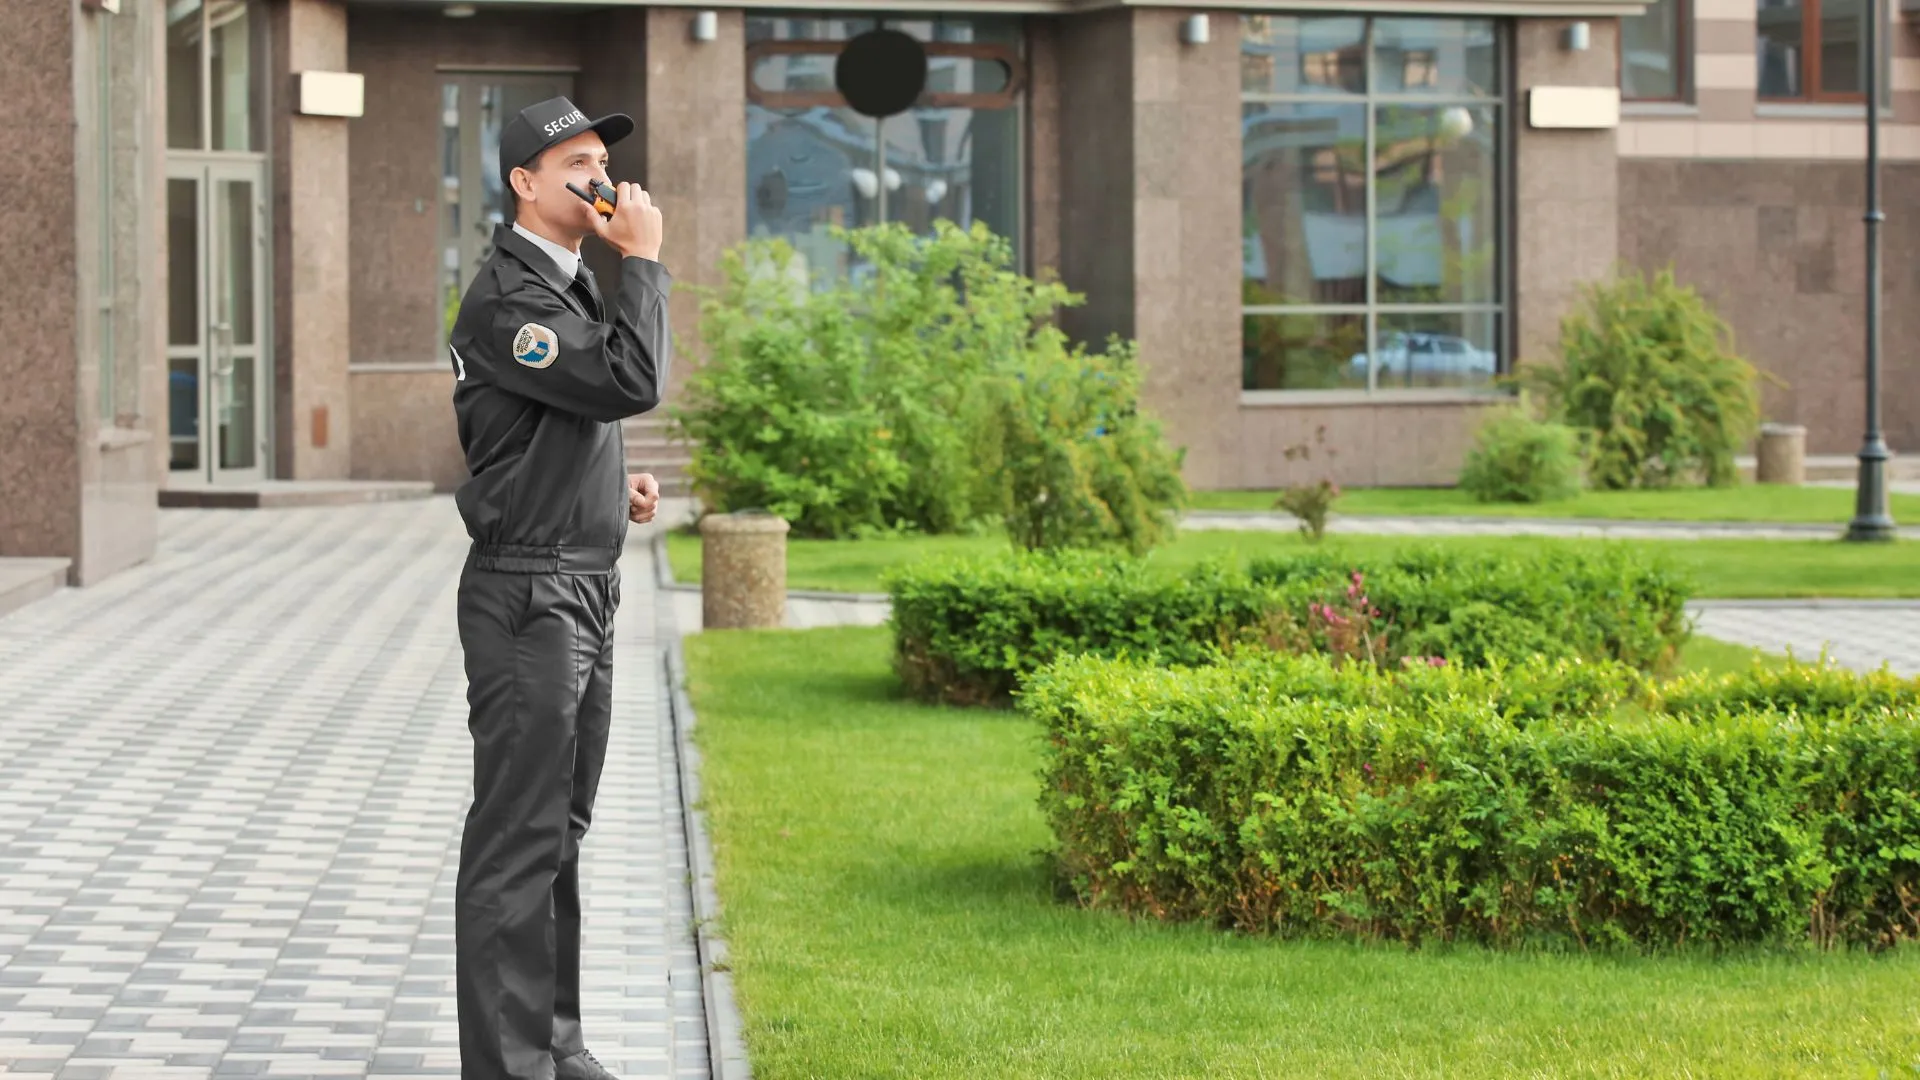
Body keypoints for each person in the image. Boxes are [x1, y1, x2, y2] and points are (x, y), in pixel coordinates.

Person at [446, 95, 669, 1080]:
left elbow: (545, 430)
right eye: (574, 159)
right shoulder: (510, 300)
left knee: (559, 835)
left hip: (581, 584)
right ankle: (510, 1066)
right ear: (523, 183)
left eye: (601, 157)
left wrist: (608, 489)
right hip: (531, 600)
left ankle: (553, 1045)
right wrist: (647, 261)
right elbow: (629, 380)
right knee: (518, 843)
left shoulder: (567, 285)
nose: (599, 175)